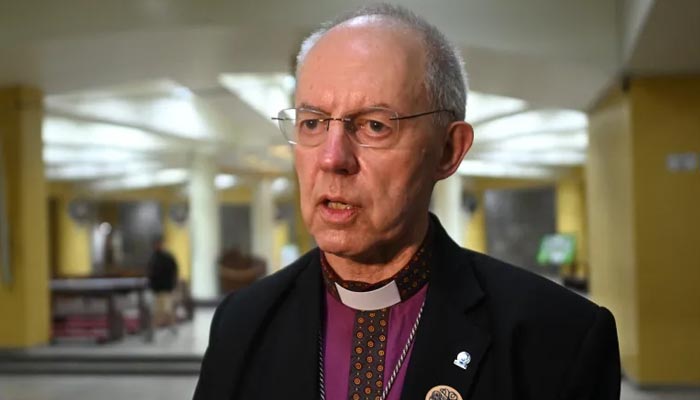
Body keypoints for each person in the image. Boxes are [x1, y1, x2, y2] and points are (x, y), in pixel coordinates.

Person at [193, 4, 620, 400]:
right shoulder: (241, 323)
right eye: (312, 123)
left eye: (375, 125)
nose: (332, 158)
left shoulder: (559, 337)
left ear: (449, 150)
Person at [147, 235, 179, 332]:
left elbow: (174, 271)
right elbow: (150, 272)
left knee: (167, 309)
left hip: (166, 288)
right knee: (156, 310)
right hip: (156, 288)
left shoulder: (168, 257)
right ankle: (154, 328)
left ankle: (172, 326)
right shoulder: (153, 258)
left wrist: (173, 284)